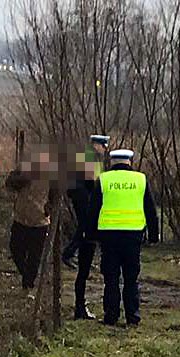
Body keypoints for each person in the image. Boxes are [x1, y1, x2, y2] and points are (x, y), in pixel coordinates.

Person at [85, 149, 159, 326]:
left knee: (111, 278)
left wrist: (90, 234)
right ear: (129, 161)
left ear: (112, 162)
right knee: (131, 278)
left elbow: (93, 210)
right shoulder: (140, 179)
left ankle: (111, 316)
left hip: (109, 236)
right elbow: (150, 209)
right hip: (133, 235)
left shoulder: (104, 180)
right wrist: (154, 235)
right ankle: (133, 316)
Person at [63, 134, 108, 320]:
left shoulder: (83, 154)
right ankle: (69, 252)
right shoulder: (90, 156)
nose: (105, 149)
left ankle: (70, 251)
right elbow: (93, 180)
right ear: (97, 145)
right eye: (103, 146)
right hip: (83, 199)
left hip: (77, 196)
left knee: (84, 230)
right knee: (85, 229)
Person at [5, 151, 55, 298]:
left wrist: (48, 209)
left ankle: (28, 285)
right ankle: (26, 276)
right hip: (21, 219)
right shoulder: (23, 170)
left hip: (39, 222)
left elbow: (56, 196)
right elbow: (10, 183)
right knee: (15, 250)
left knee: (35, 257)